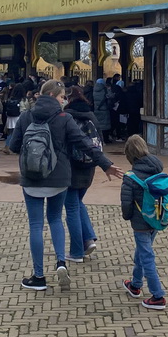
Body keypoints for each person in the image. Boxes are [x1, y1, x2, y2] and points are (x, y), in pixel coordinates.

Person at [7, 79, 121, 292]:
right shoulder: (64, 118)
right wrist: (106, 164)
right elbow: (84, 144)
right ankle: (61, 262)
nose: (64, 100)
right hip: (59, 179)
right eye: (61, 97)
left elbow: (13, 146)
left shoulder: (25, 117)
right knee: (55, 219)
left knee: (35, 225)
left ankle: (38, 276)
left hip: (31, 179)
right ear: (51, 95)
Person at [120, 134, 168, 310]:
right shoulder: (157, 168)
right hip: (156, 218)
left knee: (147, 256)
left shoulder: (130, 177)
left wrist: (128, 217)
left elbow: (126, 204)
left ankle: (157, 296)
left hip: (140, 222)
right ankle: (135, 284)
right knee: (142, 252)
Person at [63, 85, 104, 261]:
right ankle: (88, 239)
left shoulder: (66, 117)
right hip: (89, 167)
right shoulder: (91, 115)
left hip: (72, 168)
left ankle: (77, 251)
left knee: (71, 207)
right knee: (78, 203)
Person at [92, 79, 112, 143]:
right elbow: (111, 96)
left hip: (96, 109)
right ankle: (105, 139)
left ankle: (100, 138)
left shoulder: (94, 89)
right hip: (104, 109)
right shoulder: (105, 90)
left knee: (98, 124)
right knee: (105, 125)